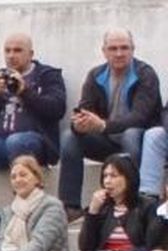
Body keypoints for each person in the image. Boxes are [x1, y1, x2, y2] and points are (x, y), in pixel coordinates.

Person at [58, 31, 160, 217]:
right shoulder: (95, 75)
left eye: (124, 48)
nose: (119, 53)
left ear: (133, 50)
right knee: (69, 137)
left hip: (138, 143)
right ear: (104, 51)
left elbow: (141, 117)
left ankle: (133, 203)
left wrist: (103, 126)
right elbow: (84, 109)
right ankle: (70, 207)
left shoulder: (145, 74)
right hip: (106, 143)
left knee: (131, 133)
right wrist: (79, 124)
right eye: (113, 48)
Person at [0, 33, 67, 170]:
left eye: (17, 50)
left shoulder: (47, 75)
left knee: (16, 142)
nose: (11, 55)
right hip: (0, 139)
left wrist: (24, 92)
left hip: (36, 140)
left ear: (30, 54)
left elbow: (56, 109)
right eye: (7, 51)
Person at [77, 153, 154, 251]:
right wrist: (92, 212)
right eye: (105, 176)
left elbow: (151, 247)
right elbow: (85, 246)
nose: (107, 181)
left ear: (128, 178)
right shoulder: (103, 208)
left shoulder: (146, 206)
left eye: (113, 176)